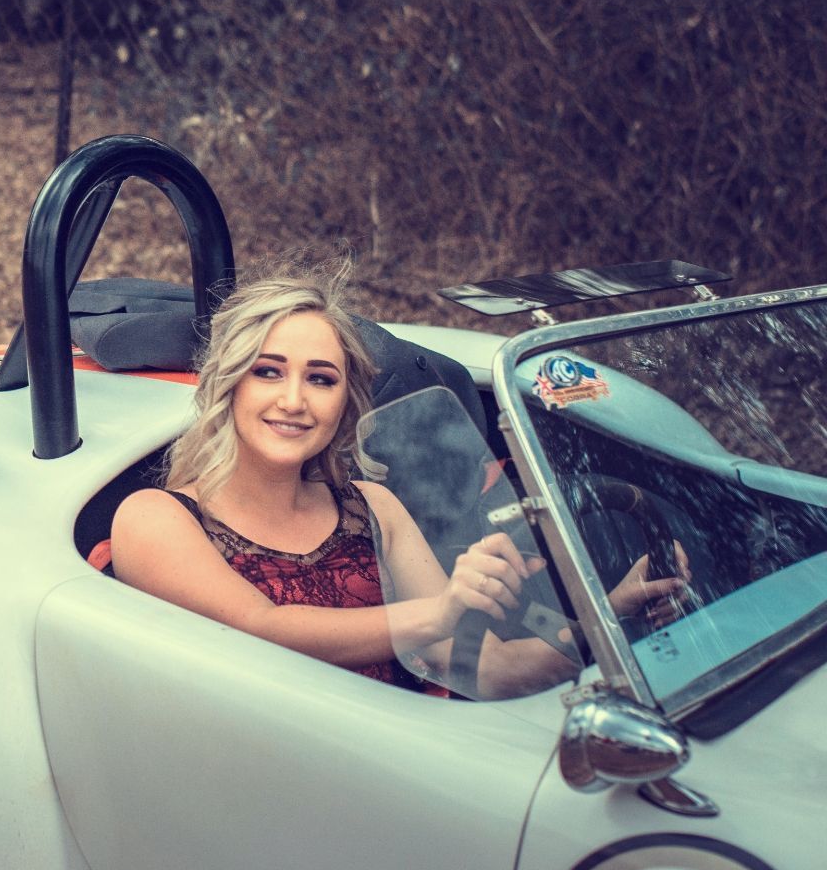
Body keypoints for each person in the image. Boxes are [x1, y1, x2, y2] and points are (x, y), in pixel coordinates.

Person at [110, 267, 687, 698]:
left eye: (321, 379)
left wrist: (611, 615)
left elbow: (485, 668)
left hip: (394, 764)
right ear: (229, 385)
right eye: (268, 372)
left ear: (346, 402)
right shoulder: (154, 517)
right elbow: (263, 628)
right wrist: (440, 613)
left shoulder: (373, 506)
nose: (293, 400)